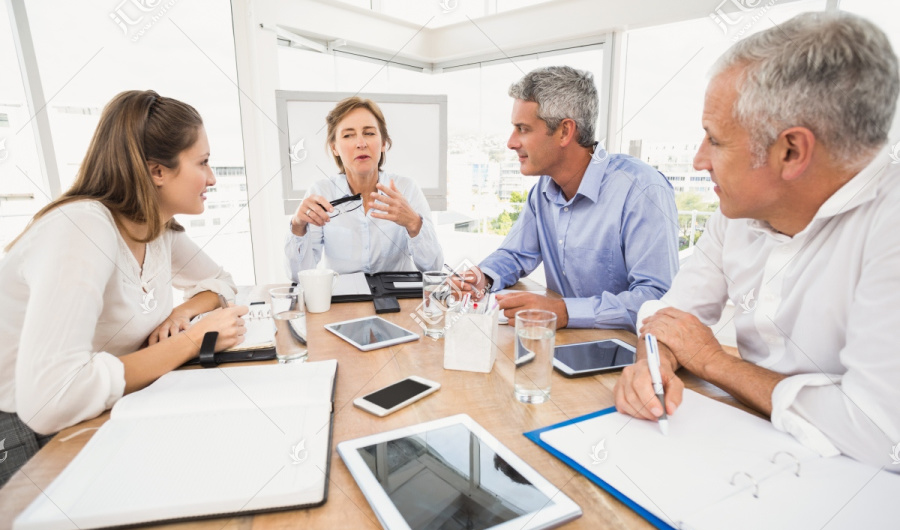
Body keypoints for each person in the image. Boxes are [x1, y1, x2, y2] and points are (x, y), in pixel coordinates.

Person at [613, 12, 900, 471]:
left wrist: (713, 363)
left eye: (714, 139)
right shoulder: (741, 209)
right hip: (749, 451)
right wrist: (657, 360)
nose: (699, 159)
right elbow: (675, 316)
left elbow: (881, 432)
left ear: (791, 152)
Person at [0, 91, 248, 486]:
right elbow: (50, 399)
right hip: (21, 435)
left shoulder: (155, 228)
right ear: (157, 172)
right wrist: (190, 341)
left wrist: (181, 314)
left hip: (101, 411)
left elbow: (221, 282)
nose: (213, 178)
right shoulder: (82, 229)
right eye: (202, 163)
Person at [457, 66, 679, 330]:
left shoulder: (642, 189)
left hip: (627, 355)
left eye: (523, 129)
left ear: (565, 131)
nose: (511, 142)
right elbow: (515, 254)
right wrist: (483, 277)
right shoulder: (543, 190)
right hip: (564, 345)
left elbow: (656, 298)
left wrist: (566, 311)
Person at [285, 97, 443, 277]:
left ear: (383, 143)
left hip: (400, 301)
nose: (361, 143)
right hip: (344, 301)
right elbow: (297, 275)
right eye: (348, 135)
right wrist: (298, 226)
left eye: (369, 133)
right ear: (334, 148)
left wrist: (414, 223)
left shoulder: (406, 189)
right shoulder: (321, 193)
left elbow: (434, 269)